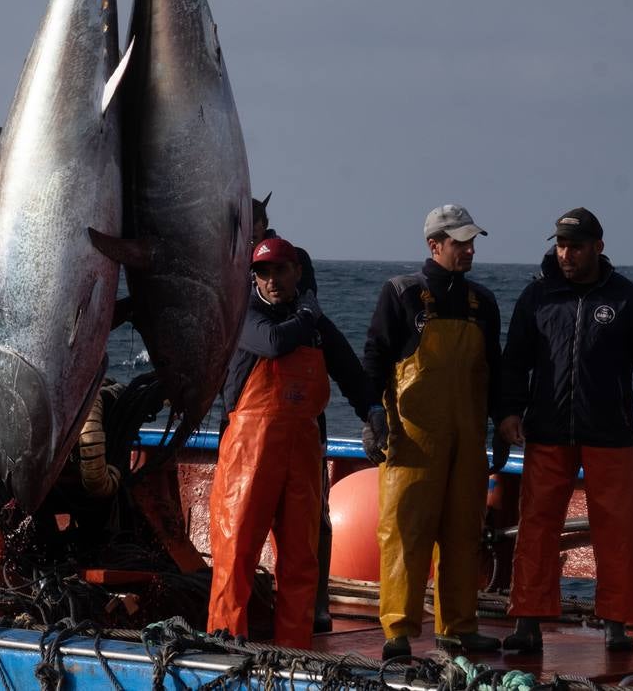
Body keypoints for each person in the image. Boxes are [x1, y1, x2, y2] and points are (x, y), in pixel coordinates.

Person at [499, 208, 633, 653]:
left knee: (616, 529)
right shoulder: (536, 298)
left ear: (598, 247)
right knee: (537, 526)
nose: (566, 254)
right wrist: (507, 412)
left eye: (575, 246)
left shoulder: (628, 299)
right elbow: (514, 362)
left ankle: (616, 621)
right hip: (547, 431)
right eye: (560, 245)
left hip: (611, 434)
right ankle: (528, 620)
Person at [209, 238, 383, 648]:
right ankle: (224, 642)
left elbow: (350, 372)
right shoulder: (245, 315)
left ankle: (294, 648)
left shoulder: (317, 327)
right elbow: (273, 343)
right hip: (247, 457)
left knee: (301, 559)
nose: (271, 281)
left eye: (280, 271)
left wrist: (374, 412)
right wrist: (308, 315)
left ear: (297, 273)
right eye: (263, 273)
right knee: (236, 554)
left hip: (303, 454)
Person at [362, 206, 504, 658]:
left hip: (468, 437)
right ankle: (398, 631)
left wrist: (502, 422)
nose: (469, 250)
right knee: (405, 530)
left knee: (464, 533)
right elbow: (375, 356)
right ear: (434, 245)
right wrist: (373, 417)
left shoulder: (483, 302)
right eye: (460, 242)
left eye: (471, 242)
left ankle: (459, 627)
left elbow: (495, 371)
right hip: (412, 437)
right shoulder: (401, 293)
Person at [249, 193, 335, 632]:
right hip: (249, 425)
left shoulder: (289, 260)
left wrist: (372, 409)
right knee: (245, 527)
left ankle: (314, 608)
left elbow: (318, 332)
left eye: (257, 222)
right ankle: (236, 625)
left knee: (310, 521)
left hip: (302, 420)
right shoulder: (234, 268)